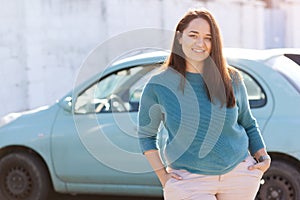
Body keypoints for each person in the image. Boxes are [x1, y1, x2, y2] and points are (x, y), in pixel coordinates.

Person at [137, 8, 271, 200]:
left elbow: (247, 122)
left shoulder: (231, 78)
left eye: (208, 38)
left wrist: (263, 157)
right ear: (179, 38)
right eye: (193, 35)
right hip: (189, 181)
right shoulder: (159, 85)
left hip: (239, 176)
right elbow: (146, 135)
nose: (201, 43)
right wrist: (164, 177)